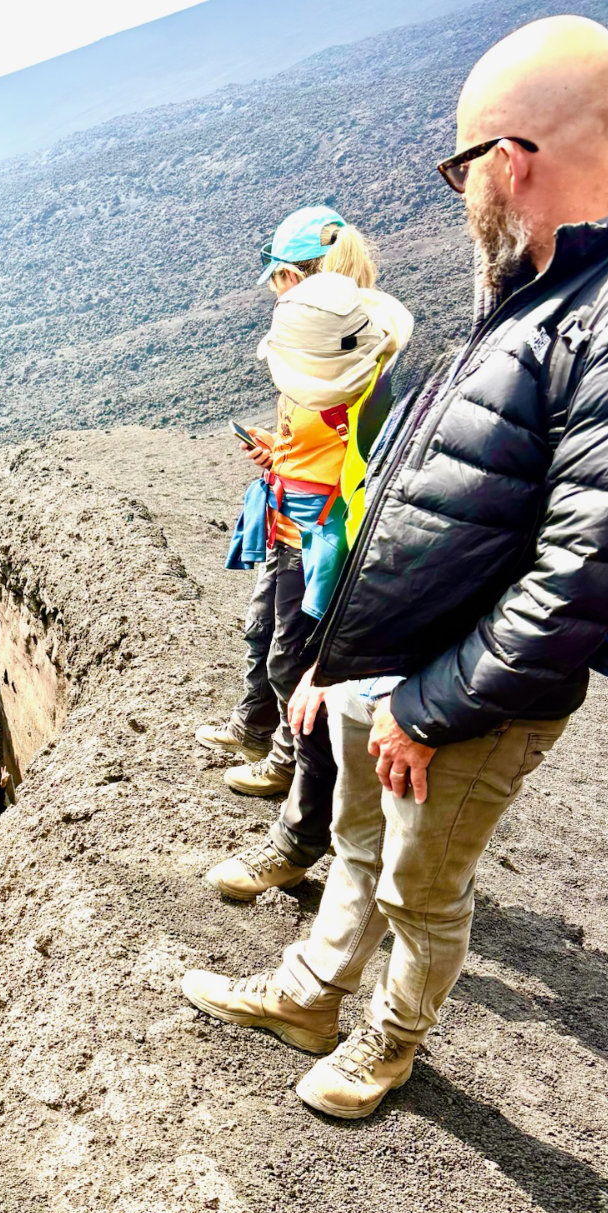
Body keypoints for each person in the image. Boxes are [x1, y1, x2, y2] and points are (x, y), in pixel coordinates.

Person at [183, 15, 608, 1120]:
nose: (461, 193)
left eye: (462, 167)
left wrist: (428, 708)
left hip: (469, 693)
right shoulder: (540, 288)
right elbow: (426, 505)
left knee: (423, 885)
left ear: (507, 161)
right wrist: (341, 667)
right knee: (358, 841)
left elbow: (580, 574)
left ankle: (385, 1043)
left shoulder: (596, 317)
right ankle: (310, 993)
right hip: (408, 668)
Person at [202, 212, 413, 899]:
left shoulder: (357, 369)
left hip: (324, 542)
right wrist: (277, 454)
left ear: (294, 277)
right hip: (295, 524)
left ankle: (296, 829)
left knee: (304, 675)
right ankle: (281, 763)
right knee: (274, 647)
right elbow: (318, 449)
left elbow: (360, 471)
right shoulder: (327, 351)